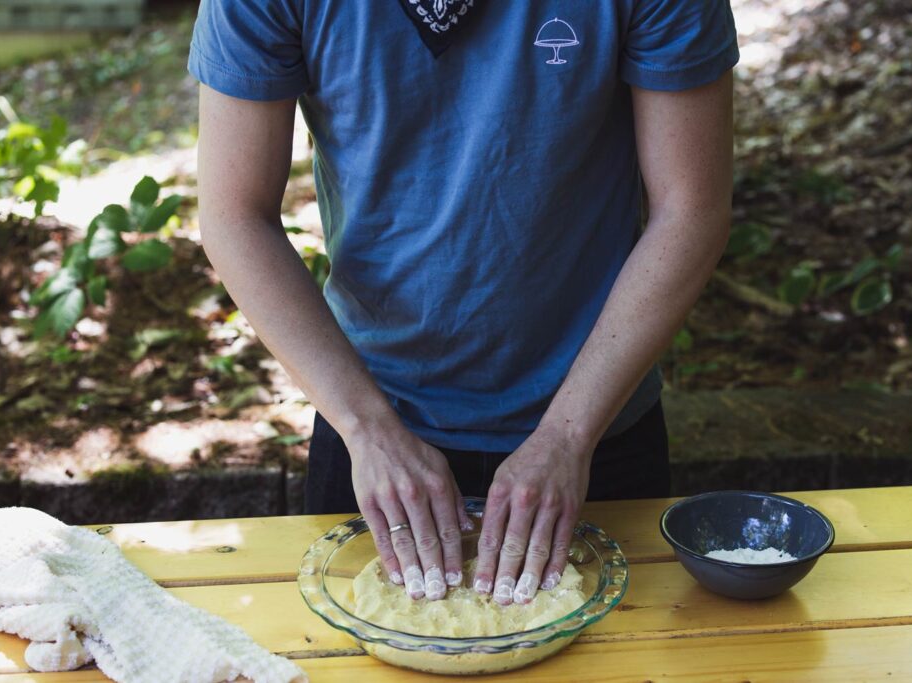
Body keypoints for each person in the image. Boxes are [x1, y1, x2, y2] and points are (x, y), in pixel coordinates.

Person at [190, 1, 738, 606]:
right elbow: (233, 214)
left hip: (597, 424)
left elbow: (691, 210)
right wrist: (367, 429)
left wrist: (566, 436)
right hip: (371, 429)